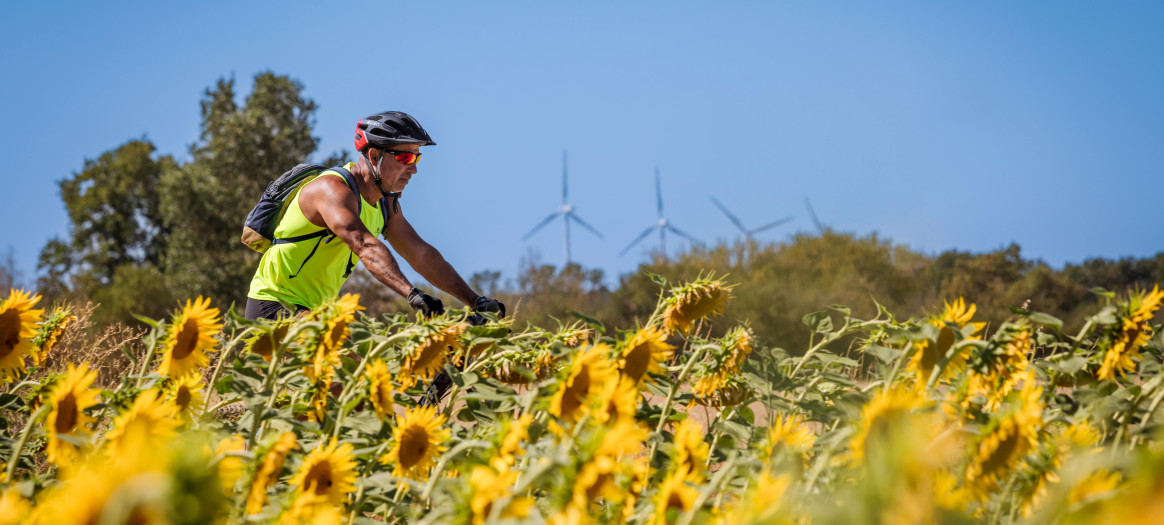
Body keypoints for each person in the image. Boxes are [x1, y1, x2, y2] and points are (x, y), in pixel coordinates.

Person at [245, 111, 505, 321]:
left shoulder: (384, 204)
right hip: (274, 305)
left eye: (417, 158)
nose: (413, 168)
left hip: (316, 312)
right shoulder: (331, 190)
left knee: (363, 377)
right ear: (373, 155)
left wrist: (475, 301)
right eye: (405, 156)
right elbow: (364, 244)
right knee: (353, 376)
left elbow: (421, 255)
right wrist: (411, 293)